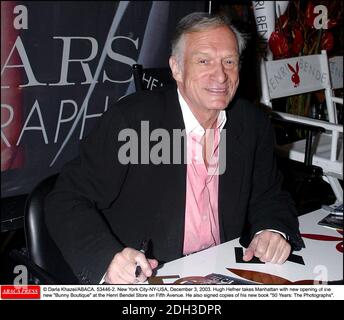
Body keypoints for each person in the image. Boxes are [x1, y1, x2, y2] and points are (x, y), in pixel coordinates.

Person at [45, 12, 305, 284]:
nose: (220, 75)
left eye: (229, 61)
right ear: (177, 68)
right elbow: (65, 199)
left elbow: (269, 194)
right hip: (151, 278)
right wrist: (107, 259)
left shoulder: (251, 123)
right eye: (204, 61)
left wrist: (272, 229)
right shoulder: (132, 122)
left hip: (221, 272)